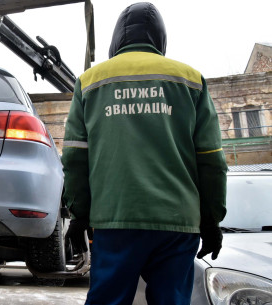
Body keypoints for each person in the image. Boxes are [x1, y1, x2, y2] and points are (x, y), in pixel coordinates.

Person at [62, 2, 227, 305]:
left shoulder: (89, 82)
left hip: (115, 219)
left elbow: (75, 158)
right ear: (159, 39)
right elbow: (211, 159)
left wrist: (78, 215)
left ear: (116, 39)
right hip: (177, 223)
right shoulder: (190, 79)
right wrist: (210, 220)